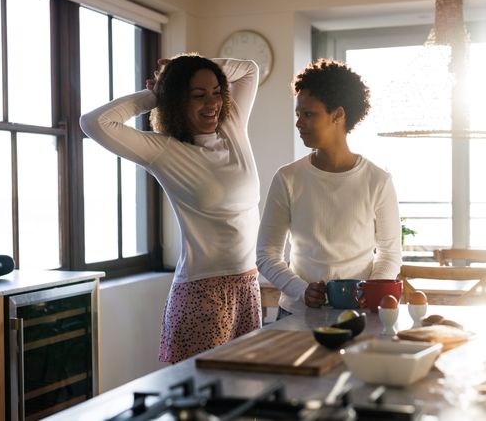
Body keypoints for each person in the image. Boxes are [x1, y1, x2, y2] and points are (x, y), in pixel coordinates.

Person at [80, 53, 262, 363]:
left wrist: (182, 70)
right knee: (204, 400)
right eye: (197, 95)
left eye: (217, 91)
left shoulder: (232, 127)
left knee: (246, 398)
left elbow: (248, 68)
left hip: (248, 285)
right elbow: (94, 123)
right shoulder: (163, 150)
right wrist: (159, 92)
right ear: (178, 100)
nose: (212, 103)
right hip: (202, 295)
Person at [256, 58, 402, 317]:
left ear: (338, 115)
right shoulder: (288, 178)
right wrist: (302, 290)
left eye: (309, 114)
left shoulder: (377, 181)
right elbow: (266, 254)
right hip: (297, 313)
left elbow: (390, 255)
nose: (299, 123)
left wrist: (368, 293)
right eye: (298, 114)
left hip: (360, 314)